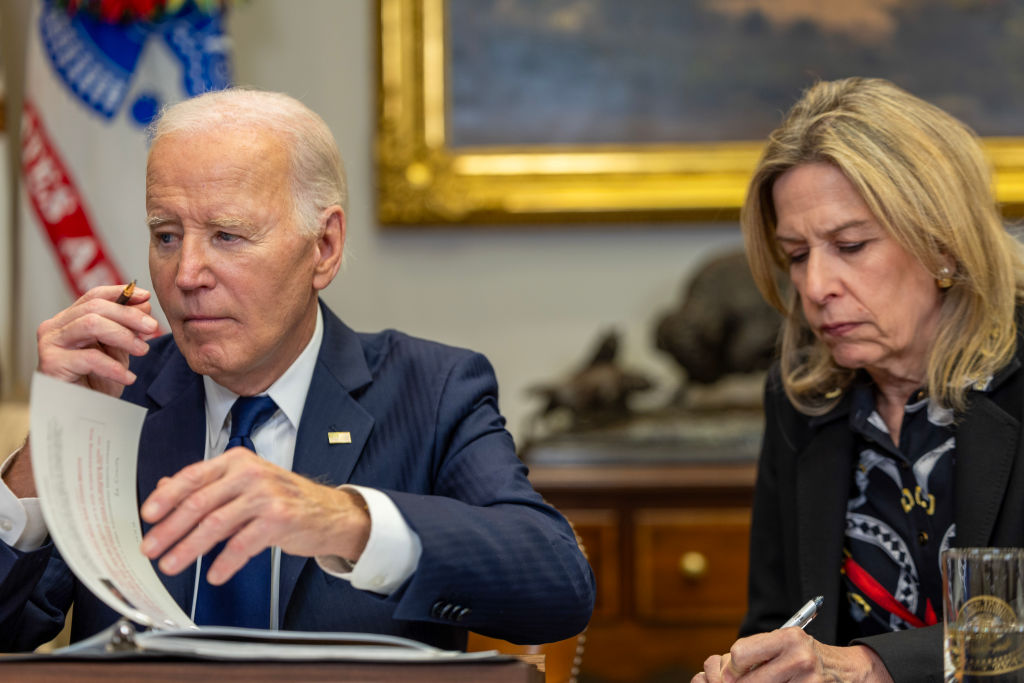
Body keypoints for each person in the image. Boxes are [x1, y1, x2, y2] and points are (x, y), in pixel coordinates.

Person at [0, 88, 595, 652]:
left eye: (228, 236)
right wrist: (49, 445)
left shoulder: (432, 391)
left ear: (324, 246)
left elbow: (556, 585)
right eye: (166, 235)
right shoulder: (119, 391)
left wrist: (344, 521)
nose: (186, 274)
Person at [693, 77, 1024, 682]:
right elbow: (776, 617)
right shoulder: (802, 395)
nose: (816, 286)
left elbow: (1011, 638)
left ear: (943, 244)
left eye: (850, 245)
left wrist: (874, 666)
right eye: (796, 254)